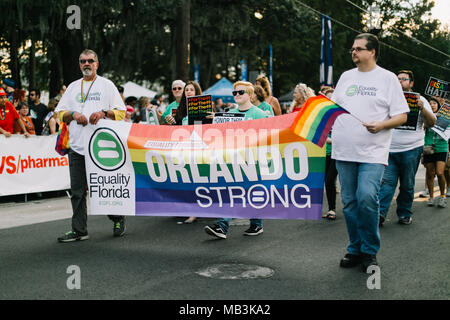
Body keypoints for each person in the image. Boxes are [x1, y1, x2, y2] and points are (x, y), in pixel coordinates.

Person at [331, 33, 408, 272]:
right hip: (344, 150)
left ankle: (369, 250)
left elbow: (402, 115)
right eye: (352, 49)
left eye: (359, 48)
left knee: (366, 197)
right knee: (350, 202)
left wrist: (382, 125)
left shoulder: (387, 79)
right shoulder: (346, 77)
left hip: (373, 152)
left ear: (372, 51)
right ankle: (355, 248)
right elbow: (333, 109)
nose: (353, 52)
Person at [55, 49, 126, 243]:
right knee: (77, 191)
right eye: (83, 61)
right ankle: (79, 230)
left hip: (100, 148)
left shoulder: (107, 85)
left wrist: (103, 112)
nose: (87, 64)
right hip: (77, 146)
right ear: (79, 64)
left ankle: (117, 218)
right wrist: (73, 114)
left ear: (97, 64)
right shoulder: (72, 87)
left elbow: (121, 112)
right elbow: (59, 113)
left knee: (102, 188)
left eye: (90, 61)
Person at [204, 81, 268, 239]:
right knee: (231, 192)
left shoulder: (259, 114)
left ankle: (256, 224)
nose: (237, 95)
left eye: (241, 92)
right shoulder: (229, 113)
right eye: (235, 93)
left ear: (250, 95)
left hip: (252, 160)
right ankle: (222, 226)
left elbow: (270, 134)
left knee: (251, 193)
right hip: (232, 160)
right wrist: (216, 119)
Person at [378, 70, 436, 226]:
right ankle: (380, 214)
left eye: (403, 79)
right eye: (397, 79)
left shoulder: (420, 99)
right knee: (387, 183)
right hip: (390, 149)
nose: (400, 81)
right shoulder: (388, 98)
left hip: (412, 148)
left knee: (407, 184)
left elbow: (432, 123)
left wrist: (422, 108)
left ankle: (404, 213)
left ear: (411, 83)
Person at [173, 81, 203, 224]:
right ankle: (190, 209)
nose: (188, 92)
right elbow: (177, 127)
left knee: (197, 180)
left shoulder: (204, 106)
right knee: (187, 180)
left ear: (197, 92)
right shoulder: (181, 108)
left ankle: (196, 211)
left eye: (191, 90)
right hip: (183, 149)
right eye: (187, 90)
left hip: (199, 149)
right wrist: (172, 122)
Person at [423, 97, 448, 208]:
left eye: (434, 103)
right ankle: (432, 197)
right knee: (430, 173)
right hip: (428, 147)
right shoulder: (425, 116)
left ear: (438, 105)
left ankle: (442, 196)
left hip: (442, 147)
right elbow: (421, 128)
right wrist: (431, 119)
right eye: (430, 103)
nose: (432, 105)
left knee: (440, 172)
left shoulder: (445, 117)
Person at [320, 86, 338, 220]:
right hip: (323, 153)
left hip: (338, 153)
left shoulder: (340, 115)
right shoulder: (323, 116)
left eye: (333, 99)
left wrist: (332, 140)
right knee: (328, 182)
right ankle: (331, 208)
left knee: (330, 179)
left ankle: (332, 209)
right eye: (328, 99)